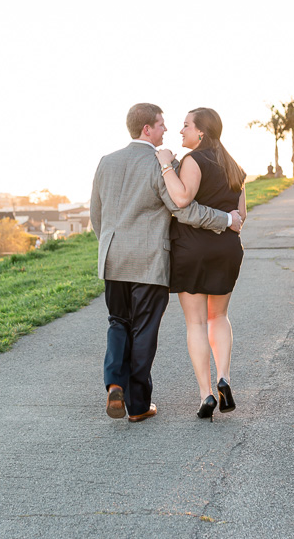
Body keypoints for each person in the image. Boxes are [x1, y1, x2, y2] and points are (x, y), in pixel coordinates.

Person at [91, 103, 242, 423]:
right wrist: (226, 218)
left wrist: (109, 244)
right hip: (151, 261)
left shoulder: (107, 161)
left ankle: (115, 383)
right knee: (145, 329)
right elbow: (184, 209)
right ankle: (138, 404)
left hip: (113, 257)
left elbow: (97, 215)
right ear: (148, 129)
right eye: (162, 125)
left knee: (118, 323)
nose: (168, 130)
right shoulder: (164, 164)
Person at [155, 107, 246, 422]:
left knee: (196, 323)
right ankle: (224, 378)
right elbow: (240, 217)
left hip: (193, 250)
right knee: (219, 316)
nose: (181, 132)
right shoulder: (233, 166)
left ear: (202, 132)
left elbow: (182, 199)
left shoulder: (193, 161)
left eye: (185, 126)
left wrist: (167, 164)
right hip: (227, 250)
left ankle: (206, 393)